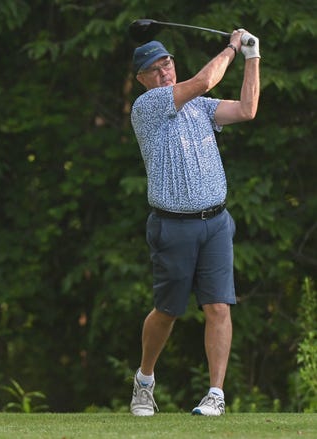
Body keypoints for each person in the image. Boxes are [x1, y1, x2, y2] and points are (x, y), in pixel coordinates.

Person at [128, 30, 260, 417]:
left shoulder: (201, 107)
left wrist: (253, 57)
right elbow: (203, 79)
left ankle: (215, 394)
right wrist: (232, 47)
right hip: (173, 226)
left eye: (166, 63)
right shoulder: (148, 106)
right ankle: (145, 380)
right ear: (142, 80)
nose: (162, 72)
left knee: (218, 306)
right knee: (167, 311)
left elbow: (248, 109)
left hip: (216, 222)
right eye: (152, 70)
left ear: (173, 63)